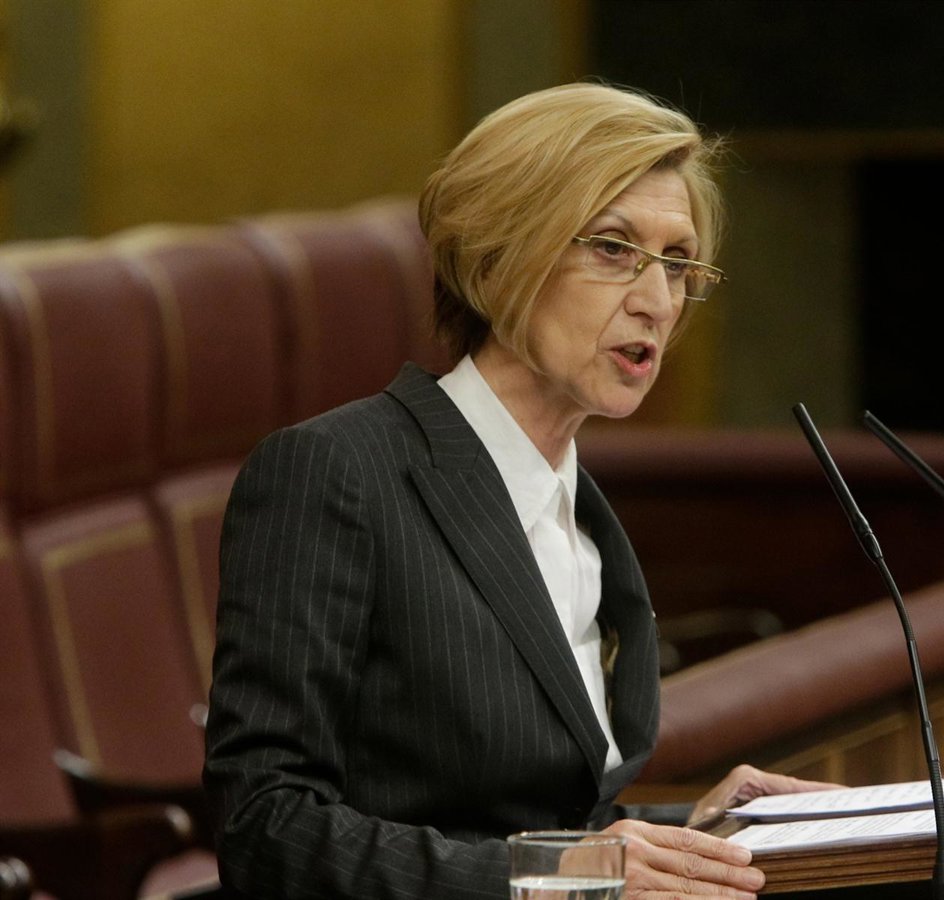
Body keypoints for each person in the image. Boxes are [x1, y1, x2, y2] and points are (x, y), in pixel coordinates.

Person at [204, 82, 828, 899]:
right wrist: (564, 876)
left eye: (678, 263)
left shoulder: (581, 514)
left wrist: (696, 831)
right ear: (502, 254)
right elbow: (264, 827)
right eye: (614, 249)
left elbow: (538, 822)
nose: (656, 301)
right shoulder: (336, 473)